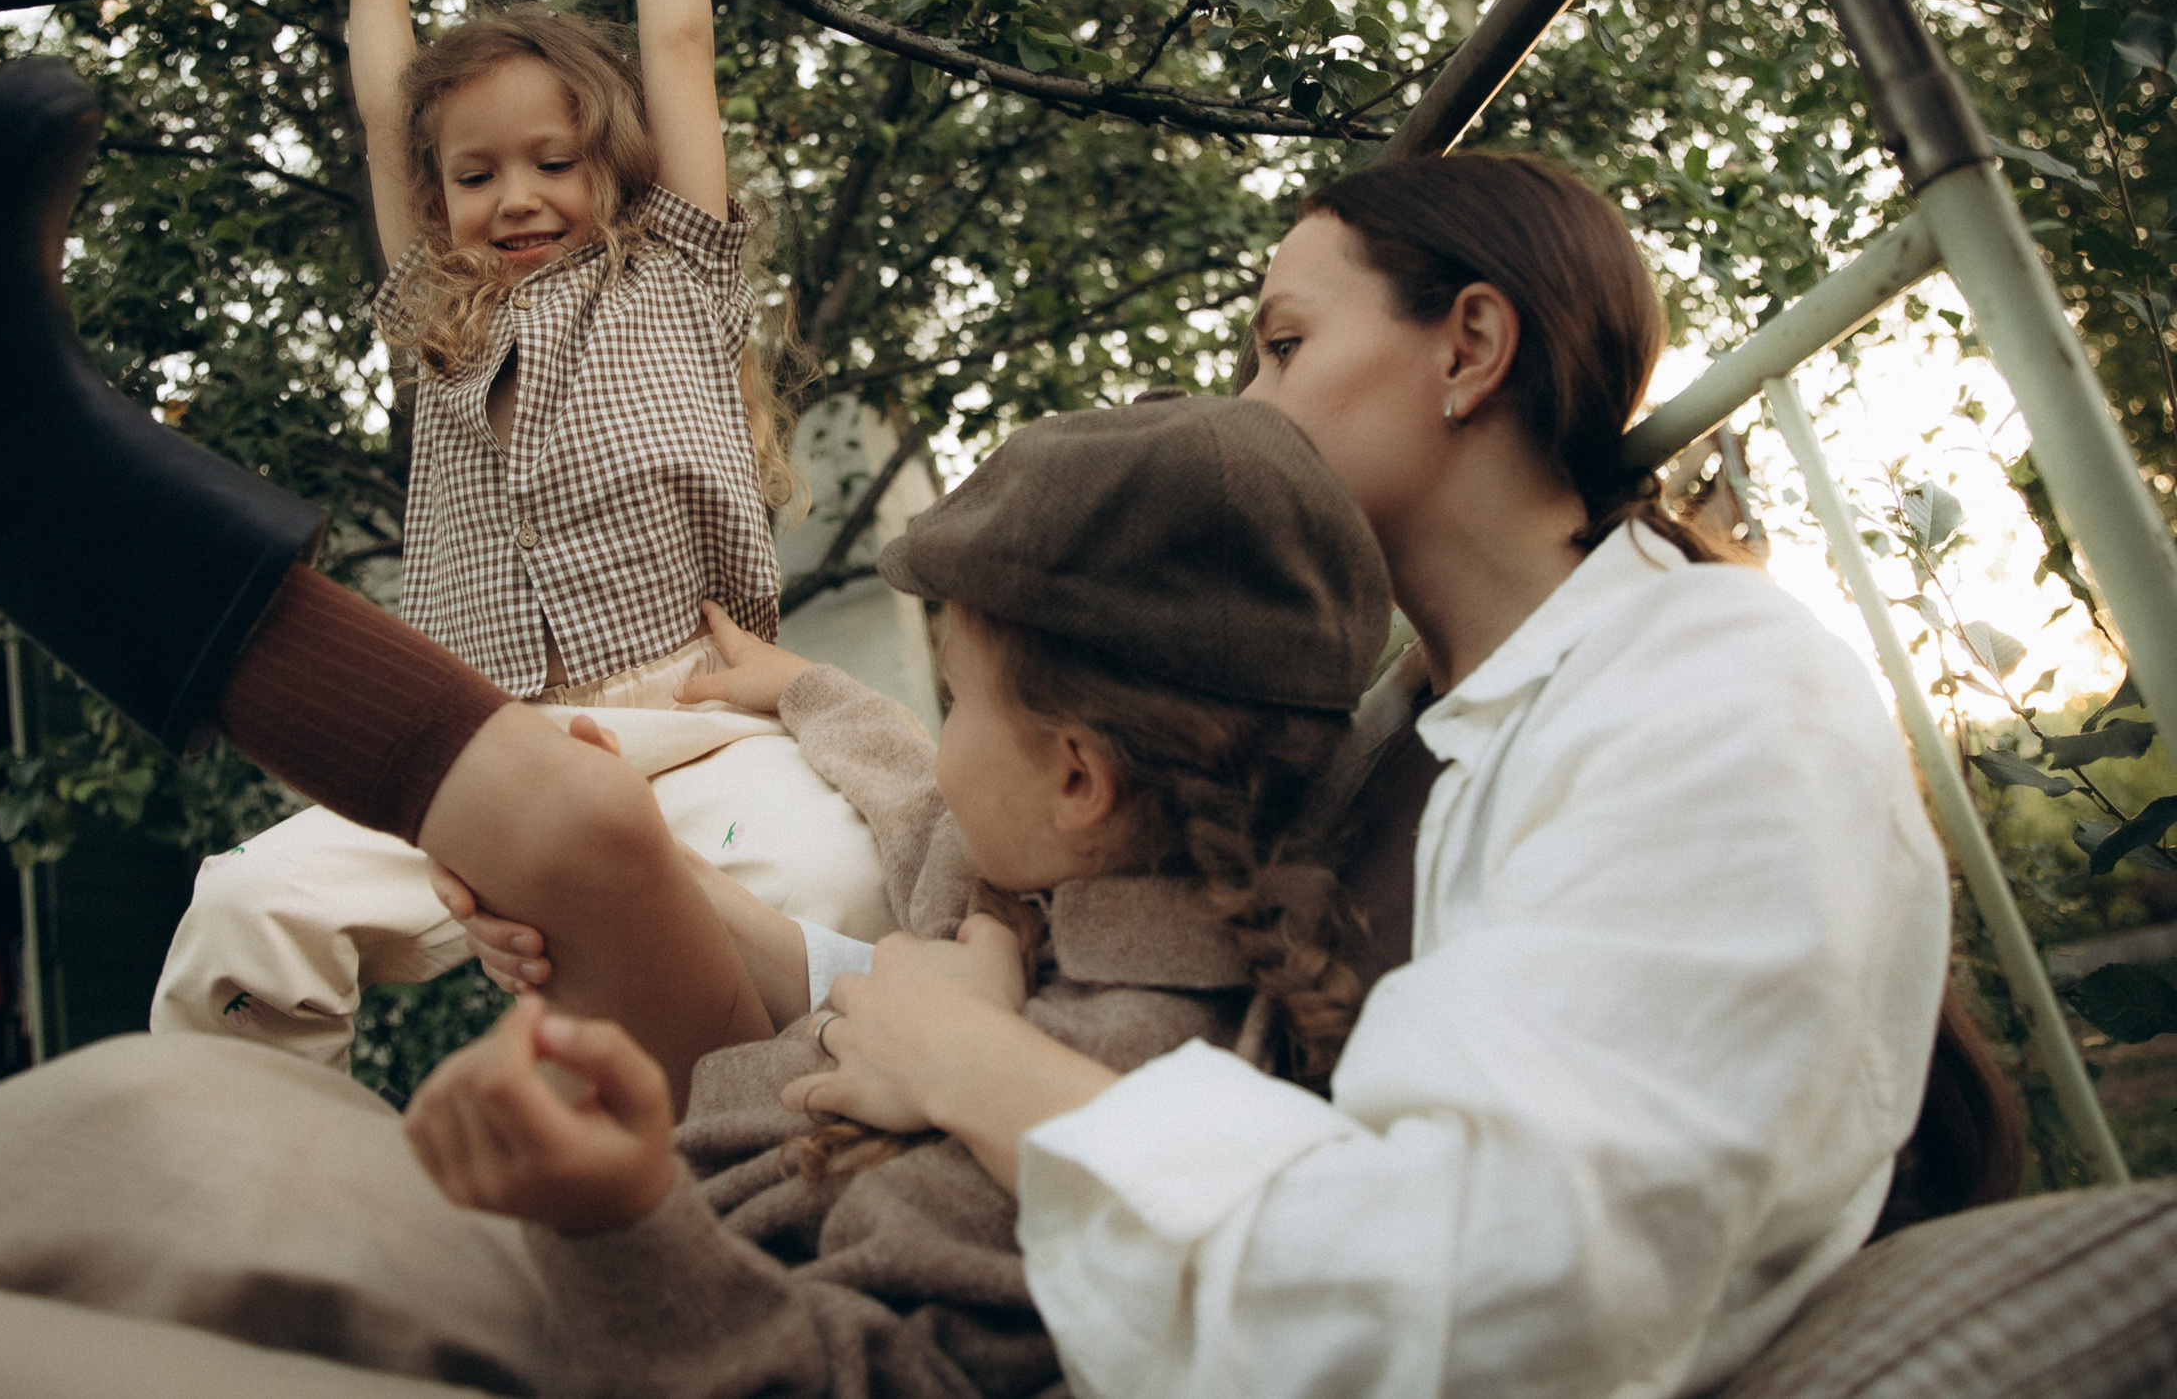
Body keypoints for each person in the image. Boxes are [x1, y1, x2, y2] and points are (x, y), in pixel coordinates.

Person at [0, 395, 1400, 1399]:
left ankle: (40, 486)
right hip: (629, 1247)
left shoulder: (1144, 1095)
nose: (932, 727)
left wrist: (622, 1207)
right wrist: (790, 689)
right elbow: (909, 775)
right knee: (162, 1102)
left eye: (960, 682)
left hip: (645, 1328)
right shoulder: (1028, 850)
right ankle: (7, 459)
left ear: (1083, 773)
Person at [764, 152, 1960, 1399]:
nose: (1241, 409)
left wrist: (973, 1066)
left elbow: (1510, 1289)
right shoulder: (1380, 725)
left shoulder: (1718, 695)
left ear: (1470, 347)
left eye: (1281, 347)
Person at [150, 0, 895, 1073]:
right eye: (478, 174)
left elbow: (680, 54)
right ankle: (268, 1187)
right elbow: (390, 121)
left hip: (699, 718)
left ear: (615, 161)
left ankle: (779, 1148)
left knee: (833, 874)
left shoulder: (672, 271)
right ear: (440, 202)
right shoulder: (441, 321)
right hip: (491, 744)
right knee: (246, 906)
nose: (519, 196)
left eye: (554, 160)